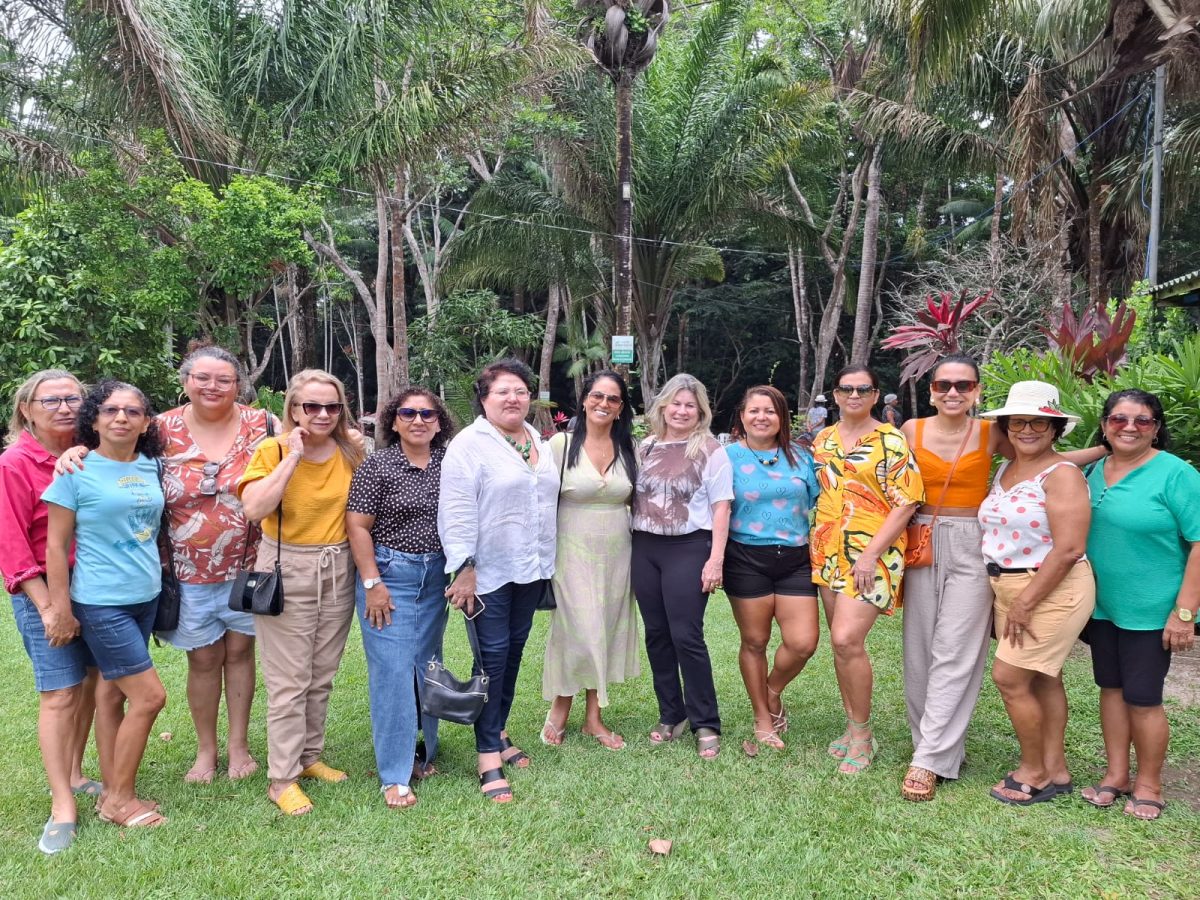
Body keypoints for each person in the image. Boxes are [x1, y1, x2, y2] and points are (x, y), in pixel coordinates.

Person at [239, 369, 365, 816]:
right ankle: (282, 778)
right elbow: (254, 508)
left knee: (321, 673)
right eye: (311, 406)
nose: (323, 414)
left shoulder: (353, 449)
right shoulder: (271, 450)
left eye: (332, 406)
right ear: (293, 408)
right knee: (289, 681)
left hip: (338, 566)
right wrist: (291, 456)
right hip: (286, 565)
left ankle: (309, 757)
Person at [43, 380, 169, 830]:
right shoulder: (75, 471)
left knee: (112, 693)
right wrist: (60, 608)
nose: (121, 417)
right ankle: (119, 800)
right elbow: (56, 547)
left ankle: (115, 783)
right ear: (93, 420)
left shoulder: (152, 466)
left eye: (133, 411)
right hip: (101, 601)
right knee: (151, 697)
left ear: (146, 422)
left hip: (145, 597)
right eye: (111, 410)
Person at [439, 359, 558, 803]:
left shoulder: (537, 441)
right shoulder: (469, 444)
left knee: (511, 655)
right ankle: (487, 753)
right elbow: (456, 510)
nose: (513, 398)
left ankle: (499, 729)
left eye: (521, 390)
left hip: (530, 568)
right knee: (490, 659)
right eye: (503, 391)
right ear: (484, 398)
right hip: (485, 572)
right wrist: (464, 568)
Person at [155, 345, 275, 783]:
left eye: (223, 379)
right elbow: (112, 456)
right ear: (186, 381)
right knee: (203, 659)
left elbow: (310, 445)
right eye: (202, 378)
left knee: (241, 652)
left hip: (249, 564)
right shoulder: (158, 429)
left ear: (238, 384)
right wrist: (76, 455)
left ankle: (239, 745)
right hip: (187, 570)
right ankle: (206, 751)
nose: (212, 386)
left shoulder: (263, 424)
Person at [1080, 389, 1200, 820]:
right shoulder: (1094, 470)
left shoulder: (1175, 474)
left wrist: (1184, 611)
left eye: (1142, 420)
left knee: (1143, 697)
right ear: (1105, 425)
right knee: (1111, 690)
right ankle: (1115, 775)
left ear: (1156, 428)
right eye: (1119, 419)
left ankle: (1149, 782)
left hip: (1152, 610)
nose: (1129, 427)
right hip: (1103, 607)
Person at [0, 371, 104, 853]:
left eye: (73, 399)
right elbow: (13, 545)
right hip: (46, 593)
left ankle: (77, 773)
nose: (64, 407)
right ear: (27, 409)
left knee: (88, 685)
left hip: (98, 590)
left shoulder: (92, 451)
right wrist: (49, 608)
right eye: (52, 400)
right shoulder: (17, 462)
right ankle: (62, 804)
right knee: (60, 693)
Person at [978, 381, 1094, 805]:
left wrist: (1026, 602)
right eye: (1018, 422)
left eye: (1039, 422)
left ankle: (1035, 771)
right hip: (1008, 584)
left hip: (1052, 588)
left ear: (1055, 428)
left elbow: (1068, 549)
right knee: (1044, 678)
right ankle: (1056, 767)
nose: (1027, 430)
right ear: (1006, 427)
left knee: (1008, 678)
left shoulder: (1062, 475)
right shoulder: (1007, 468)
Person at [811, 365, 924, 774]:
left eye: (863, 389)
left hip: (872, 554)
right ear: (835, 395)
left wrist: (869, 555)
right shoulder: (822, 439)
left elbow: (907, 502)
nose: (854, 396)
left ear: (876, 395)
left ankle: (861, 735)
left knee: (846, 638)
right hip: (827, 550)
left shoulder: (890, 440)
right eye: (847, 389)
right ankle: (853, 725)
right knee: (840, 646)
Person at [346, 388, 454, 809]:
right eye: (408, 413)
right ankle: (394, 773)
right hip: (392, 574)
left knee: (426, 665)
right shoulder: (379, 466)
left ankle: (424, 753)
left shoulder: (450, 463)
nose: (418, 420)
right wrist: (372, 583)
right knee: (392, 671)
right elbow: (357, 526)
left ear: (439, 422)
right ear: (393, 421)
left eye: (427, 413)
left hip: (436, 577)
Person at [631, 373, 732, 759]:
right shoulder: (647, 446)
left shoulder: (710, 450)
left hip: (689, 548)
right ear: (663, 406)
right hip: (645, 547)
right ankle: (671, 713)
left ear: (701, 411)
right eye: (676, 403)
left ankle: (705, 720)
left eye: (690, 405)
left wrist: (715, 559)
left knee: (686, 635)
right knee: (656, 634)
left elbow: (722, 506)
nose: (682, 410)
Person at [541, 371, 640, 751]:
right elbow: (542, 503)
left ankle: (594, 718)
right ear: (583, 400)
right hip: (570, 550)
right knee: (576, 628)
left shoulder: (630, 448)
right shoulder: (560, 446)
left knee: (606, 627)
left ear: (620, 408)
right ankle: (560, 707)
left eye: (613, 399)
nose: (604, 404)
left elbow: (637, 503)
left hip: (618, 551)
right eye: (597, 396)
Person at [723, 385, 820, 755]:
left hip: (795, 556)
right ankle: (763, 718)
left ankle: (772, 689)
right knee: (755, 641)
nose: (762, 417)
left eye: (771, 411)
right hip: (746, 558)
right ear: (742, 417)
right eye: (754, 410)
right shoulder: (726, 457)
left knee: (803, 642)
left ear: (782, 418)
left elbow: (816, 500)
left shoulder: (800, 456)